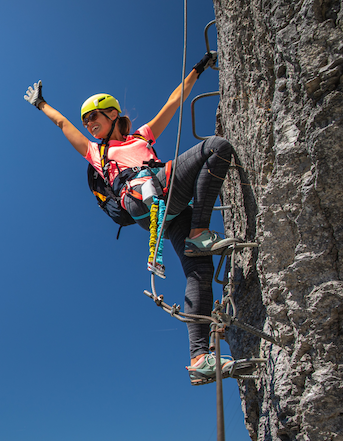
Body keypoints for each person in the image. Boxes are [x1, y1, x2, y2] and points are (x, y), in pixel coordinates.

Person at [24, 52, 243, 385]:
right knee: (214, 148)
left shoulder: (142, 136)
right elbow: (62, 123)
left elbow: (174, 101)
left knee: (200, 271)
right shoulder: (96, 152)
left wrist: (198, 68)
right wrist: (42, 104)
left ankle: (199, 358)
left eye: (94, 116)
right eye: (86, 120)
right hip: (142, 199)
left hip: (168, 207)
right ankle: (200, 231)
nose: (88, 123)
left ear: (113, 114)